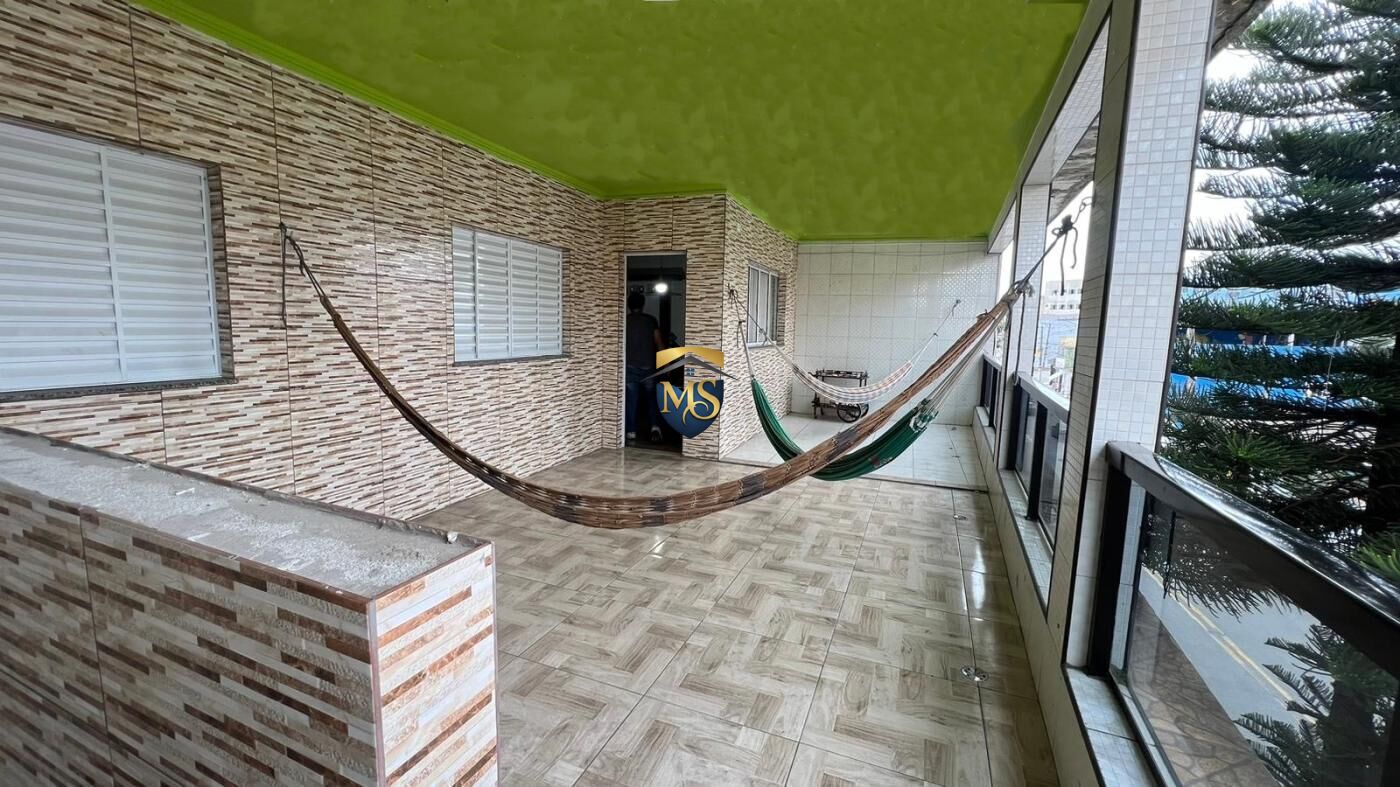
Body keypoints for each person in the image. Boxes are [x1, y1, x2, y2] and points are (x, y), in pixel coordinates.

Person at [625, 291, 664, 441]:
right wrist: (665, 364)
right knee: (651, 399)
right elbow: (659, 343)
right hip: (648, 367)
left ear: (628, 306)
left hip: (629, 367)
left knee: (631, 401)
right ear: (643, 305)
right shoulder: (651, 320)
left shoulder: (625, 321)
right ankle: (655, 427)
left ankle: (631, 431)